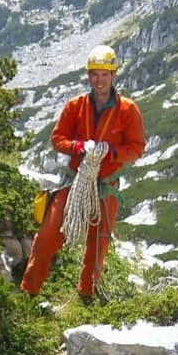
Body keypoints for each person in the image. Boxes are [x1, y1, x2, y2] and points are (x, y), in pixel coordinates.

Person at [19, 44, 147, 301]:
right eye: (94, 75)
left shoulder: (127, 110)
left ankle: (85, 297)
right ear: (89, 76)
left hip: (105, 187)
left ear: (113, 76)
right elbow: (57, 139)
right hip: (75, 183)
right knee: (46, 238)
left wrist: (111, 152)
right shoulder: (75, 106)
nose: (99, 81)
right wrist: (77, 146)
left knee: (97, 248)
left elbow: (137, 148)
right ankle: (28, 293)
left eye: (104, 75)